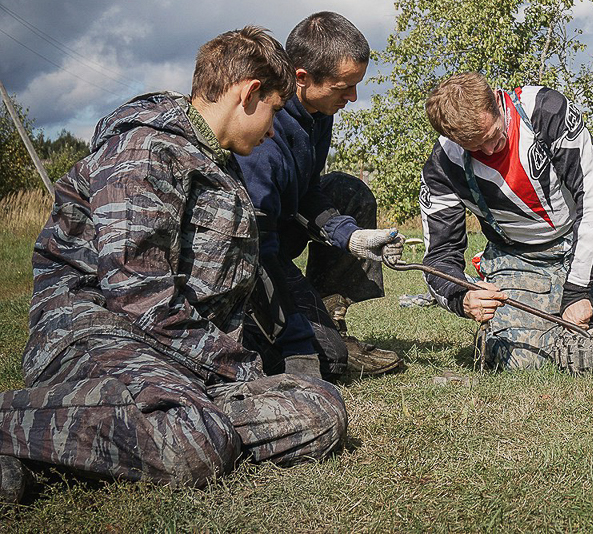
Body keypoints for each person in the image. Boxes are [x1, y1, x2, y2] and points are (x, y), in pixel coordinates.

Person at [0, 27, 347, 504]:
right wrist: (241, 370)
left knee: (319, 410)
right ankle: (29, 423)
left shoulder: (214, 161)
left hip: (175, 354)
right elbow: (136, 299)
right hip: (97, 336)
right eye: (273, 110)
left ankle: (127, 435)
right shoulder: (144, 149)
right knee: (192, 442)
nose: (272, 129)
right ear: (249, 94)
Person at [415, 73, 593, 370]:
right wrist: (461, 295)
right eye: (475, 147)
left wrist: (577, 290)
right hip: (518, 259)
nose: (488, 151)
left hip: (583, 239)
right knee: (522, 363)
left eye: (493, 136)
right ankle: (509, 330)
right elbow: (438, 257)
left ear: (497, 102)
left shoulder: (547, 111)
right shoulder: (442, 167)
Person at [237, 11, 403, 381]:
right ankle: (255, 333)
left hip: (286, 220)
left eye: (356, 84)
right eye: (344, 87)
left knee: (348, 190)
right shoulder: (262, 129)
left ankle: (332, 316)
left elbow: (310, 187)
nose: (353, 97)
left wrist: (350, 235)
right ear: (302, 77)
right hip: (259, 246)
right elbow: (256, 244)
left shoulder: (320, 111)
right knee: (329, 360)